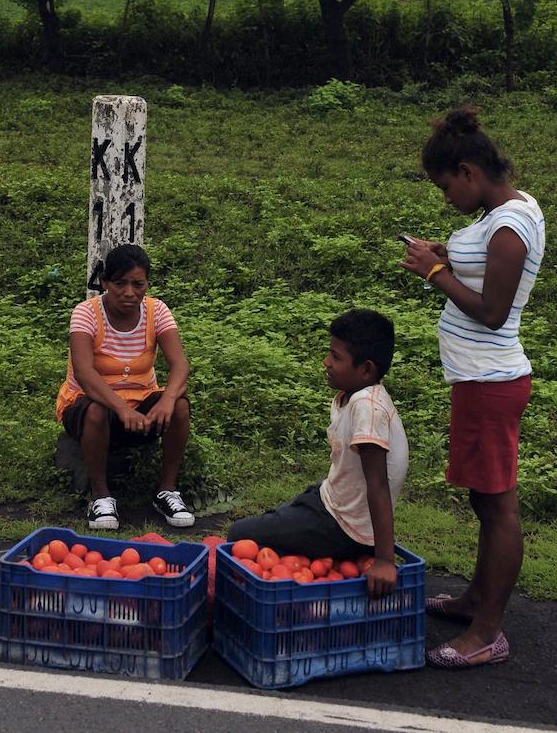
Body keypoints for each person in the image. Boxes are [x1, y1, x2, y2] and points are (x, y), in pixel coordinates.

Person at [400, 106, 545, 670]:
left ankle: (488, 632)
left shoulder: (509, 227)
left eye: (445, 187)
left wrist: (435, 274)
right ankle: (475, 601)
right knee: (484, 501)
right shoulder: (507, 210)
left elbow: (490, 311)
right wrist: (447, 254)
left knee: (497, 504)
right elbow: (479, 267)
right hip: (478, 380)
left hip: (491, 379)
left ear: (467, 170)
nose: (446, 198)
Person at [228, 309, 408, 599]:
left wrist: (385, 559)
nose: (326, 362)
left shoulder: (367, 408)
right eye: (329, 353)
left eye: (336, 358)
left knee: (240, 536)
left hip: (343, 527)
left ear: (366, 369)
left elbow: (378, 484)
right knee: (277, 520)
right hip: (328, 501)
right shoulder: (353, 395)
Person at [56, 243, 195, 531]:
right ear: (105, 282)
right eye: (119, 283)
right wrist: (121, 408)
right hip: (88, 405)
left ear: (146, 284)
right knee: (96, 411)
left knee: (180, 406)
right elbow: (84, 373)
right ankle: (101, 496)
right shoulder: (86, 313)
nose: (129, 292)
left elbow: (180, 364)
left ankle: (166, 490)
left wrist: (167, 400)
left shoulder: (157, 311)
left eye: (138, 284)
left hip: (141, 401)